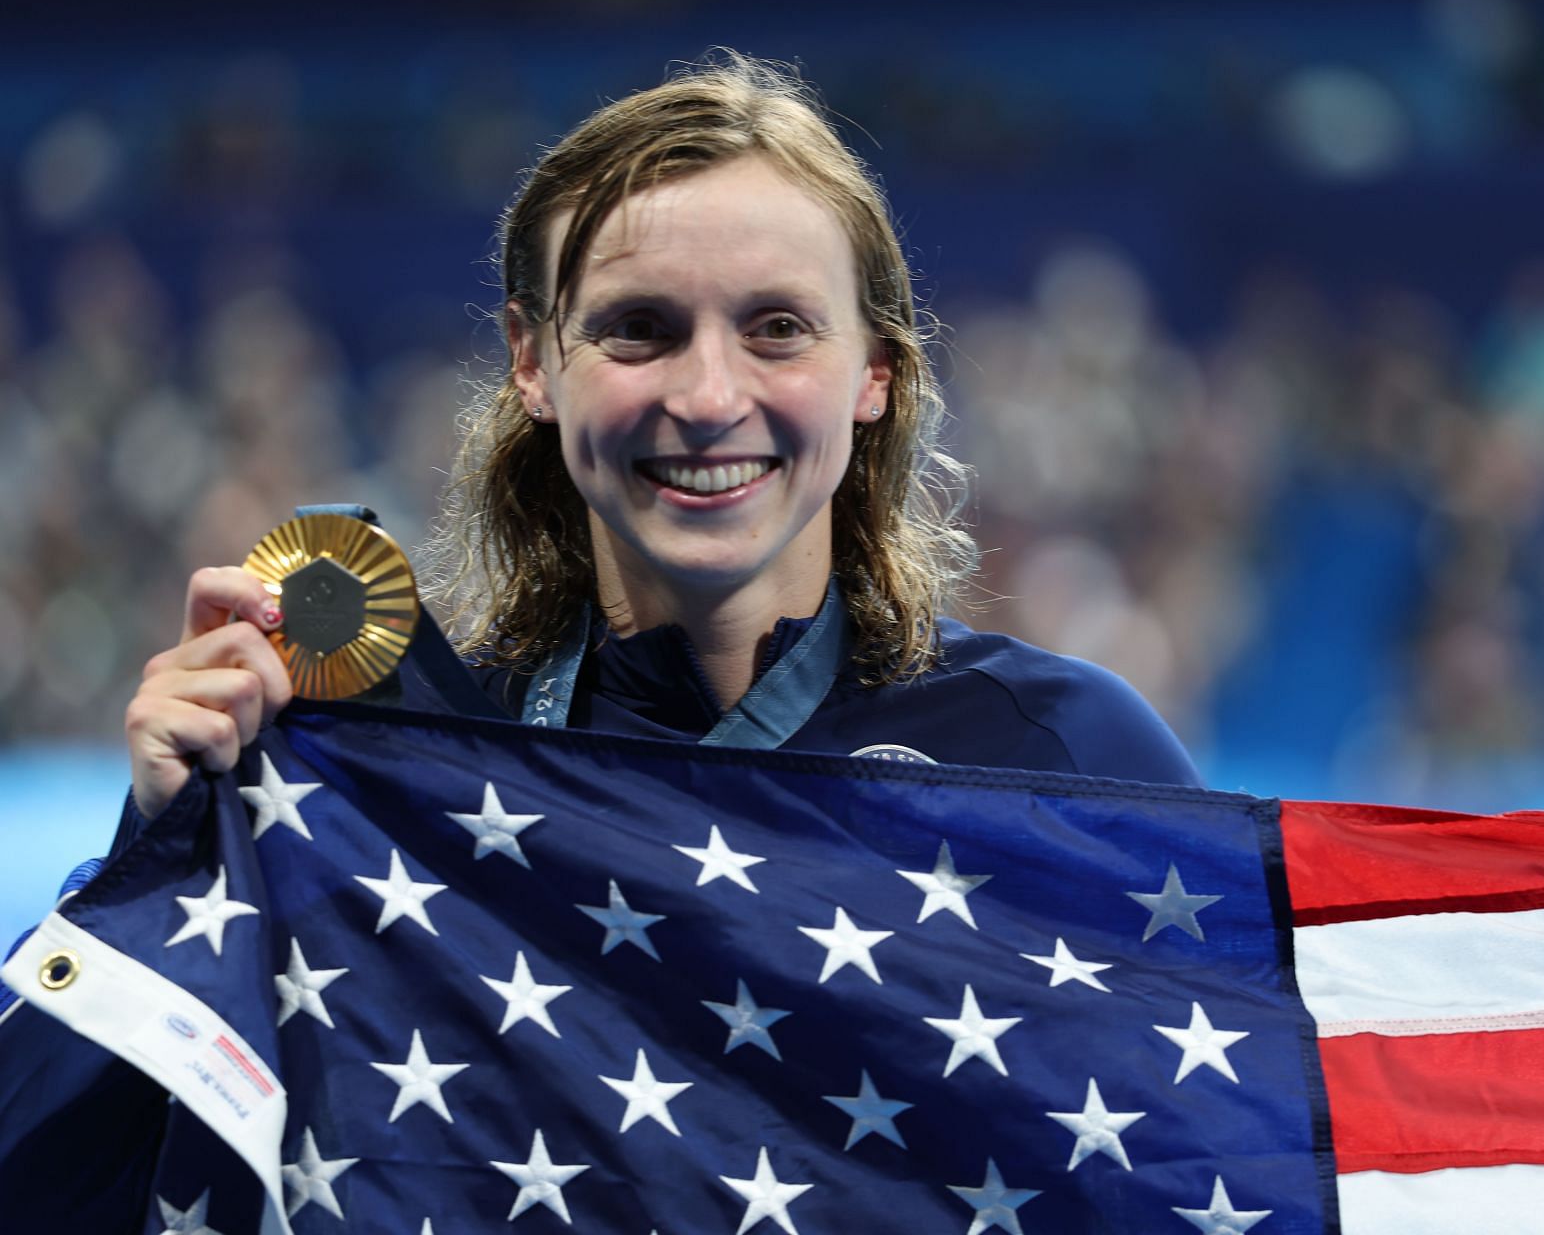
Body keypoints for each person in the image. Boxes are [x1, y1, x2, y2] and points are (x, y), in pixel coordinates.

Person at [123, 50, 1199, 829]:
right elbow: (85, 1140)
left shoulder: (1068, 759)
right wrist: (169, 837)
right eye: (640, 329)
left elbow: (1255, 1128)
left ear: (874, 371)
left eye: (777, 328)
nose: (709, 394)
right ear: (533, 361)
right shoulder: (402, 770)